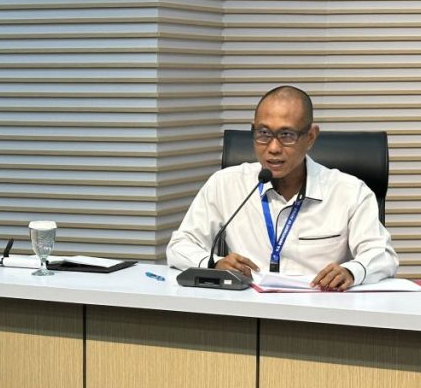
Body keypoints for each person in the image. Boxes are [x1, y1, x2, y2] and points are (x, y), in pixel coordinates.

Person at [167, 85, 398, 291]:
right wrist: (214, 263)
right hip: (247, 309)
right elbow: (180, 246)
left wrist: (351, 271)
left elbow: (383, 255)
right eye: (264, 133)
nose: (273, 148)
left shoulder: (350, 192)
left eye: (286, 135)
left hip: (319, 310)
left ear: (310, 137)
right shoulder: (225, 183)